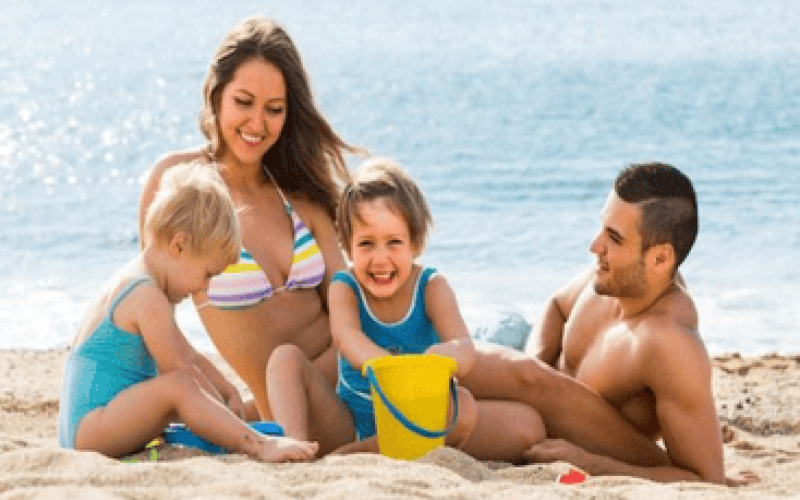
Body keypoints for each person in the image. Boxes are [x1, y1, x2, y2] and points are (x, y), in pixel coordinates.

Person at [462, 162, 755, 484]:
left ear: (660, 259)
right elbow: (557, 307)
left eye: (614, 238)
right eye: (602, 228)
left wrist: (592, 464)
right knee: (508, 338)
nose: (594, 246)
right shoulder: (611, 278)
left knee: (522, 423)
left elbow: (705, 480)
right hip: (516, 349)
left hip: (535, 418)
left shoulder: (669, 344)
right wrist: (537, 366)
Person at [138, 17, 359, 420]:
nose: (257, 124)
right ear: (216, 94)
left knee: (485, 406)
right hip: (296, 413)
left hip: (353, 377)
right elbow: (150, 315)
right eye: (243, 102)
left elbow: (351, 307)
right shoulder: (178, 183)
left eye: (274, 109)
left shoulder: (298, 193)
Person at [267, 158, 545, 460]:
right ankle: (294, 446)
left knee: (493, 413)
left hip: (415, 421)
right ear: (347, 245)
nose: (380, 259)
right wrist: (390, 369)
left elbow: (464, 346)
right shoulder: (345, 287)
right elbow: (346, 338)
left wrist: (447, 354)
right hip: (352, 421)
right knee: (285, 358)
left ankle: (384, 448)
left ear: (416, 243)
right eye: (366, 244)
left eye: (394, 242)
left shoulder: (431, 286)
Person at [58, 162, 318, 462]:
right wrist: (223, 416)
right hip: (92, 430)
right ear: (179, 245)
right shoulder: (145, 294)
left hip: (87, 428)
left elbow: (188, 355)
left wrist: (227, 390)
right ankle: (260, 445)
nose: (204, 288)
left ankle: (249, 437)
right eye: (207, 274)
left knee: (182, 388)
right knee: (178, 386)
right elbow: (180, 374)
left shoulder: (140, 282)